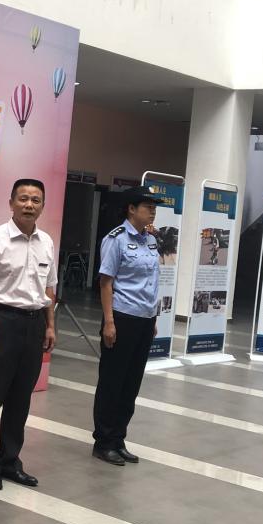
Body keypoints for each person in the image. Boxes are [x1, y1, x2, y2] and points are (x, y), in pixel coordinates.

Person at [0, 179, 56, 490]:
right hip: (2, 322)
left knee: (21, 398)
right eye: (23, 199)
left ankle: (10, 461)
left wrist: (50, 325)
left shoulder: (47, 242)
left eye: (35, 200)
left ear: (42, 206)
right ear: (11, 203)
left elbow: (49, 288)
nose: (29, 205)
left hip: (35, 324)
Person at [92, 186, 161, 467]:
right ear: (131, 209)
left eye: (154, 207)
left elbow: (152, 281)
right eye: (147, 206)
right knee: (112, 382)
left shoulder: (151, 240)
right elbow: (106, 283)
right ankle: (103, 442)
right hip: (121, 318)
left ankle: (118, 439)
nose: (152, 211)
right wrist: (109, 322)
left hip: (144, 319)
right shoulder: (116, 239)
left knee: (131, 383)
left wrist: (153, 318)